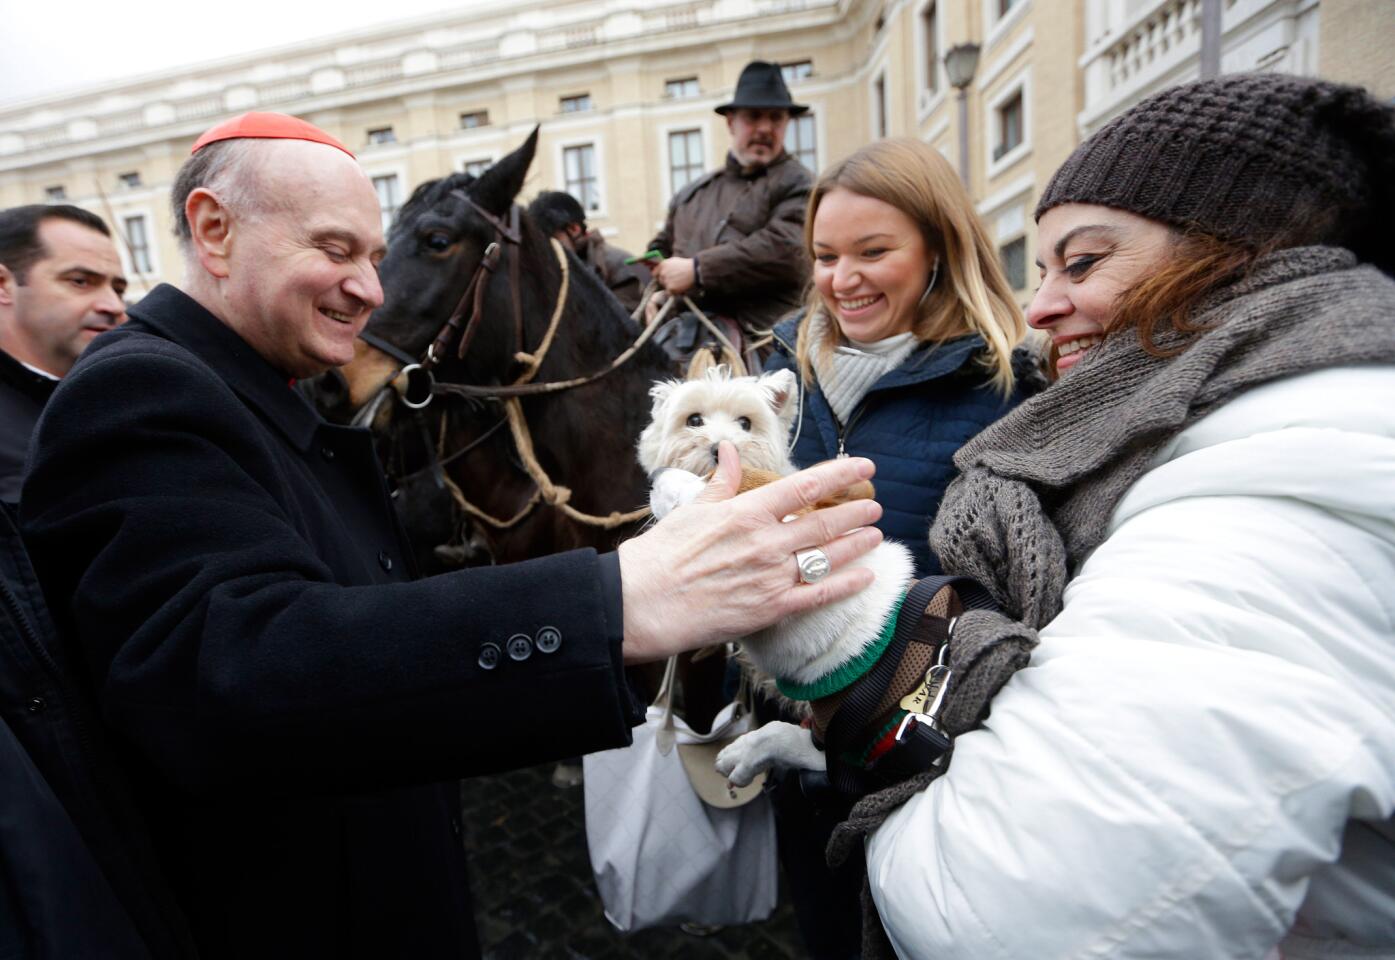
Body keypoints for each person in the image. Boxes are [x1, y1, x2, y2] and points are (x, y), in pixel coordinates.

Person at [18, 111, 884, 959]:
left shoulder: (250, 384)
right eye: (335, 249)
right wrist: (614, 598)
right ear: (213, 231)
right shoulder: (139, 391)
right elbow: (233, 667)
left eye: (370, 254)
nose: (372, 286)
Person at [844, 74, 1395, 959]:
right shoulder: (1210, 425)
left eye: (1085, 261)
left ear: (1240, 251)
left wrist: (889, 717)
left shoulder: (1266, 494)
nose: (1040, 306)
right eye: (1042, 267)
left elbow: (998, 911)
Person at [762, 137, 1035, 957]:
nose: (842, 279)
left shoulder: (1007, 386)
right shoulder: (776, 379)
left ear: (938, 251)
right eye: (824, 256)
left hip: (927, 766)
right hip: (799, 757)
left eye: (872, 252)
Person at [645, 60, 813, 348]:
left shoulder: (801, 184)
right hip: (683, 337)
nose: (764, 128)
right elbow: (659, 250)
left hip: (764, 343)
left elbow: (785, 249)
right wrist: (660, 286)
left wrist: (697, 270)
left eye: (775, 118)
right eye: (754, 117)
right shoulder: (691, 195)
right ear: (731, 122)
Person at [0, 204, 126, 501]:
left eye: (118, 289)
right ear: (3, 285)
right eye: (80, 281)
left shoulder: (124, 405)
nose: (114, 306)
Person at [527, 190, 650, 313]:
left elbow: (622, 324)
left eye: (550, 240)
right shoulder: (553, 271)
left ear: (574, 229)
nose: (545, 250)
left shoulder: (619, 266)